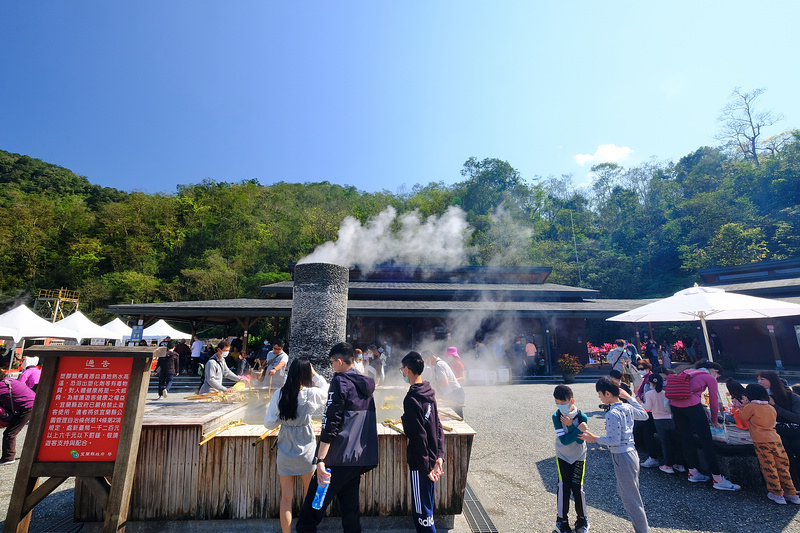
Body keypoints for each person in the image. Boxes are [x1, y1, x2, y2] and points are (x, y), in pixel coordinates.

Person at [296, 342, 378, 533]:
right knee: (351, 516)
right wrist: (360, 459)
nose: (332, 365)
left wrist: (321, 459)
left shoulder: (340, 381)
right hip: (355, 460)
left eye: (332, 362)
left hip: (335, 460)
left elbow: (331, 423)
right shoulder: (364, 384)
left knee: (309, 517)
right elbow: (365, 424)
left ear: (340, 361)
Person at [263, 358, 329, 533]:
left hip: (285, 447)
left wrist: (282, 420)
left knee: (286, 498)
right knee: (310, 496)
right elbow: (327, 389)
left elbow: (269, 423)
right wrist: (315, 375)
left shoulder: (280, 393)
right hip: (306, 448)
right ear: (306, 374)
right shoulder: (311, 393)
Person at [579, 377, 650, 533]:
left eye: (600, 394)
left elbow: (613, 440)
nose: (599, 397)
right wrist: (629, 397)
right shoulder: (627, 407)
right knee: (633, 494)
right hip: (632, 453)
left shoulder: (612, 413)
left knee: (630, 498)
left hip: (622, 456)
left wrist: (594, 439)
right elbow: (644, 415)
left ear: (607, 393)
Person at [668, 361, 740, 490]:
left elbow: (685, 390)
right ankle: (717, 478)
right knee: (706, 441)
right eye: (718, 376)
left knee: (686, 438)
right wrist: (714, 420)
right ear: (715, 371)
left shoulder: (687, 371)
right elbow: (714, 400)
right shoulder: (709, 377)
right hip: (692, 407)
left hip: (675, 406)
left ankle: (693, 472)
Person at [400, 351, 445, 533]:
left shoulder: (411, 399)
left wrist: (426, 468)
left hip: (421, 467)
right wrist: (439, 457)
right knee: (427, 509)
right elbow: (438, 426)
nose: (402, 372)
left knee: (422, 516)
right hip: (433, 460)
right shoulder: (429, 392)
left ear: (408, 370)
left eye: (402, 369)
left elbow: (419, 437)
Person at [738, 383, 800, 505]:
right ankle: (791, 493)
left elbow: (743, 416)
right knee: (783, 466)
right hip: (775, 439)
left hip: (761, 440)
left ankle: (777, 493)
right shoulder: (770, 407)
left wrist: (744, 404)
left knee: (769, 466)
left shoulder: (751, 406)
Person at [552, 384, 589, 533]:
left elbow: (580, 440)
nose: (560, 406)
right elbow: (564, 441)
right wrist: (577, 429)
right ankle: (562, 520)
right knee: (563, 487)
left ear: (571, 400)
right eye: (557, 403)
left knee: (577, 487)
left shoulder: (582, 416)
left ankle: (582, 519)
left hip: (579, 456)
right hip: (563, 456)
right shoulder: (556, 417)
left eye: (563, 403)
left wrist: (572, 426)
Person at [756, 370, 800, 487]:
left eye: (762, 379)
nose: (759, 382)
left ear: (772, 381)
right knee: (784, 450)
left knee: (796, 446)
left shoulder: (792, 397)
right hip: (774, 432)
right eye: (758, 379)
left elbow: (797, 418)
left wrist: (775, 406)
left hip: (794, 430)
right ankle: (792, 484)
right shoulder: (759, 398)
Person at [643, 373, 684, 474]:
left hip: (658, 419)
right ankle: (679, 463)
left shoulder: (649, 393)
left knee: (665, 442)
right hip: (670, 419)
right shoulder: (666, 393)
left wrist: (639, 402)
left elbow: (648, 407)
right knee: (674, 442)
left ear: (651, 383)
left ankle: (668, 464)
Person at [1, 368, 36, 465]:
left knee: (10, 433)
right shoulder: (8, 381)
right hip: (34, 403)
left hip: (28, 408)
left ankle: (8, 457)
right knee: (36, 431)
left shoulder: (2, 386)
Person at [424, 353, 465, 418]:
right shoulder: (436, 365)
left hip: (455, 393)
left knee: (457, 418)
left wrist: (433, 385)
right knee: (452, 417)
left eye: (425, 361)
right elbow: (432, 380)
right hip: (451, 393)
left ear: (429, 359)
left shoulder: (439, 365)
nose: (426, 364)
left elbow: (444, 383)